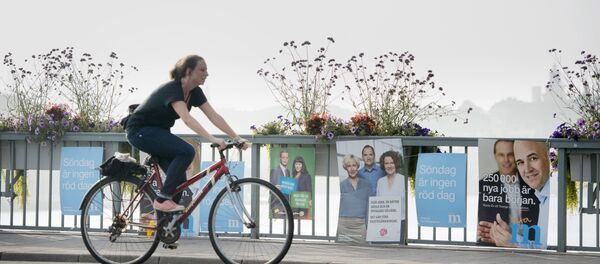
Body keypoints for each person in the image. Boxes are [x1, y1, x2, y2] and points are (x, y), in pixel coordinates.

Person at [125, 55, 248, 213]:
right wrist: (212, 139)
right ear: (188, 71)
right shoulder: (174, 89)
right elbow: (187, 119)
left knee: (179, 181)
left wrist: (237, 137)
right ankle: (162, 200)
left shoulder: (195, 92)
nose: (206, 73)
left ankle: (166, 225)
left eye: (207, 70)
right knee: (188, 151)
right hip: (139, 131)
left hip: (157, 132)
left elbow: (214, 116)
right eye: (202, 69)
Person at [477, 140, 539, 246]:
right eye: (501, 155)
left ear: (516, 156)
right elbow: (483, 223)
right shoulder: (483, 185)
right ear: (495, 156)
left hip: (529, 245)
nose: (506, 160)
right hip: (496, 245)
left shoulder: (533, 182)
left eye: (510, 155)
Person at [490, 140, 550, 248]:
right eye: (520, 162)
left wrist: (514, 242)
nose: (527, 169)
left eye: (533, 158)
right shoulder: (542, 196)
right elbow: (541, 249)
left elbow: (553, 255)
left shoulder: (554, 198)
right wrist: (513, 237)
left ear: (549, 156)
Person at [338, 154, 371, 244]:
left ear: (357, 166)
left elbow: (369, 207)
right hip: (343, 225)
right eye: (349, 166)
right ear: (345, 168)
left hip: (360, 226)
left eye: (354, 165)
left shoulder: (366, 184)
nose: (352, 169)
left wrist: (368, 226)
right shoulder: (341, 185)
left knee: (362, 253)